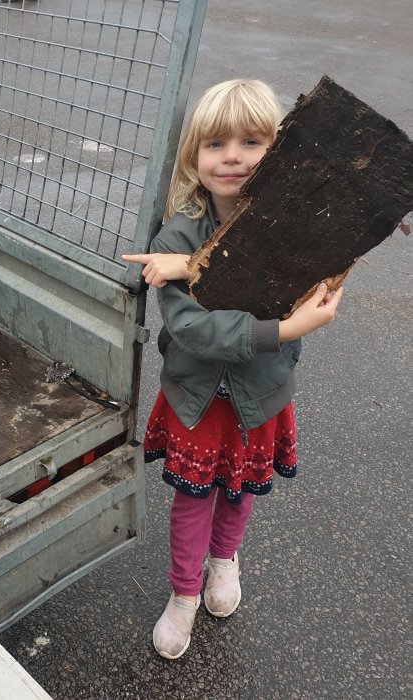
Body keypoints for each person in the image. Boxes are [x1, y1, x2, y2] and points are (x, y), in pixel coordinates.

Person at [122, 78, 344, 660]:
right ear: (195, 156)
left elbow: (313, 287)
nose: (233, 157)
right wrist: (284, 331)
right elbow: (192, 328)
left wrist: (191, 270)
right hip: (197, 400)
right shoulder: (176, 235)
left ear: (279, 154)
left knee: (239, 493)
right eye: (216, 144)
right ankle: (183, 594)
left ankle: (224, 560)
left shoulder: (295, 235)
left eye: (252, 142)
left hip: (259, 397)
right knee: (193, 500)